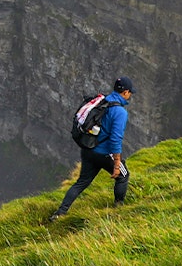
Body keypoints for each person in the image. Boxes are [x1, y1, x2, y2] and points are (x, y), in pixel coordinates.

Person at [49, 76, 134, 220]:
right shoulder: (120, 112)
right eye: (130, 92)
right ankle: (119, 208)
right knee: (123, 177)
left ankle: (60, 213)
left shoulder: (102, 101)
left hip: (88, 149)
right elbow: (116, 138)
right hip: (105, 154)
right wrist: (117, 162)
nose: (130, 95)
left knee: (81, 183)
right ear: (125, 92)